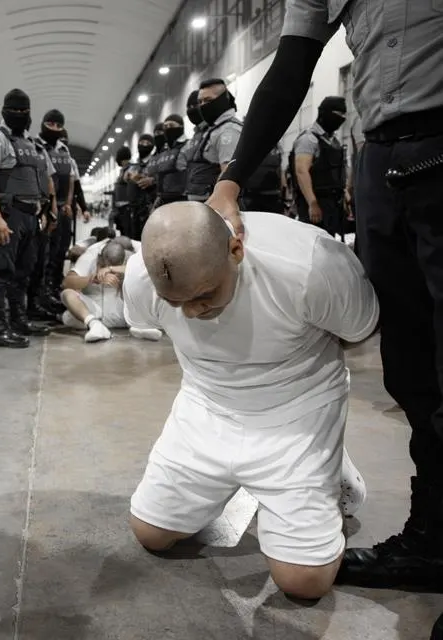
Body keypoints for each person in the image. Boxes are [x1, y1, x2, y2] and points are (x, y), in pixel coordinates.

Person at [207, 1, 443, 600]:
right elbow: (292, 66)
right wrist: (229, 180)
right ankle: (434, 538)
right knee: (413, 369)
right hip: (384, 161)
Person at [125, 202, 376, 600]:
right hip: (206, 406)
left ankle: (332, 470)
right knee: (151, 533)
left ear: (236, 250)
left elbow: (358, 331)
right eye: (177, 303)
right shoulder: (142, 276)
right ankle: (239, 484)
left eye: (204, 295)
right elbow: (146, 321)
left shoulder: (309, 265)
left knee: (303, 582)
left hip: (298, 413)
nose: (192, 311)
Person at [0, 88, 58, 348]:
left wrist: (48, 211)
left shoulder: (34, 145)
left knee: (23, 273)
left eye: (24, 111)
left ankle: (18, 321)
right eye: (15, 110)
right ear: (4, 111)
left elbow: (47, 180)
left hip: (31, 217)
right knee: (0, 272)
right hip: (9, 215)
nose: (20, 115)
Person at [60, 236, 163, 343]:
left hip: (122, 312)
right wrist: (91, 279)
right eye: (103, 265)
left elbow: (155, 273)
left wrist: (115, 270)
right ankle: (95, 325)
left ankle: (140, 326)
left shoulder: (134, 253)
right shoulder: (90, 255)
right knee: (67, 294)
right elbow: (67, 282)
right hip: (95, 310)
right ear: (99, 258)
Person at [37, 110, 76, 320]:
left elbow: (70, 180)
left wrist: (69, 203)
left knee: (59, 251)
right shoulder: (36, 146)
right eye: (50, 124)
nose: (54, 128)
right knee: (43, 253)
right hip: (44, 208)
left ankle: (52, 290)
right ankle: (40, 293)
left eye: (58, 125)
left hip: (62, 208)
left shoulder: (64, 151)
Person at [289, 97, 349, 235]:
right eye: (338, 115)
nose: (342, 119)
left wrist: (344, 195)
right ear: (325, 113)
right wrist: (312, 203)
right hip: (315, 202)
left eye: (343, 116)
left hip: (332, 204)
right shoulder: (309, 139)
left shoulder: (334, 141)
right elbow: (301, 171)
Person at [185, 79, 243, 203]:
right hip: (204, 204)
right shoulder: (214, 129)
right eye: (200, 102)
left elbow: (228, 174)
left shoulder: (228, 130)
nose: (203, 105)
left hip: (215, 207)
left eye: (208, 100)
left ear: (223, 99)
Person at [150, 115, 189, 208]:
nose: (168, 129)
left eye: (171, 125)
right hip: (164, 198)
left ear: (181, 126)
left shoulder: (187, 145)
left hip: (182, 198)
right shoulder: (164, 151)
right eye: (165, 127)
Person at [123, 134, 156, 239]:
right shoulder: (134, 165)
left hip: (148, 207)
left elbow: (157, 180)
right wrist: (127, 176)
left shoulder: (154, 162)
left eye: (147, 143)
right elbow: (124, 179)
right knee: (134, 237)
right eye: (141, 143)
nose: (144, 145)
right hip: (134, 208)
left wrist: (145, 179)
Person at [111, 146, 133, 237]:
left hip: (126, 207)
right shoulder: (122, 171)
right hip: (119, 207)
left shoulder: (131, 169)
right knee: (122, 231)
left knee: (128, 232)